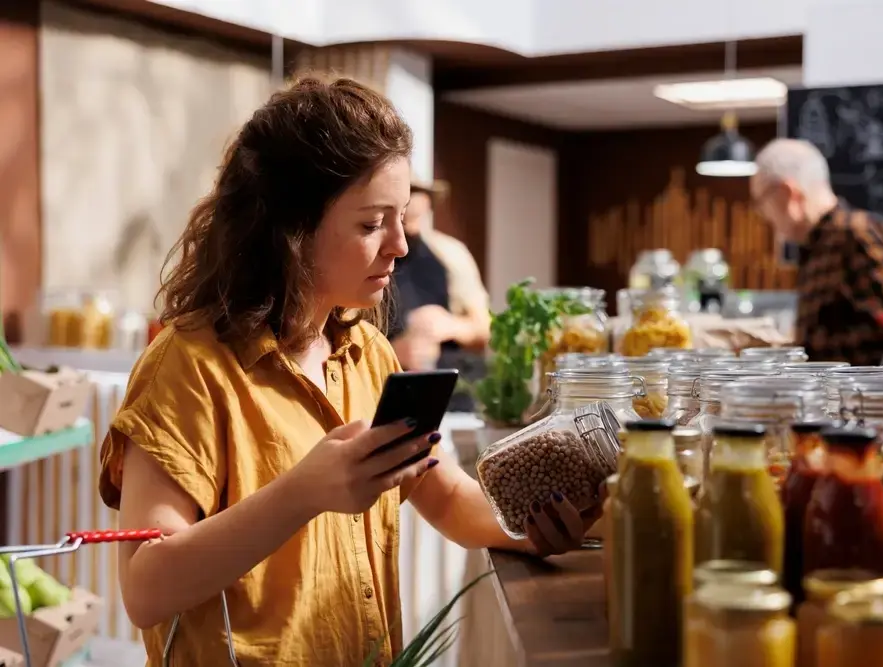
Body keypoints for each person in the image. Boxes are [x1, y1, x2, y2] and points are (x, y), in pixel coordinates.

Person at [98, 76, 598, 667]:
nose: (400, 247)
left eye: (400, 218)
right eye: (370, 224)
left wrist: (527, 528)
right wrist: (304, 492)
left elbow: (446, 499)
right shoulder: (189, 365)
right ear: (290, 230)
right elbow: (146, 588)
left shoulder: (368, 351)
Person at [749, 138, 883, 366]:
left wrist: (809, 351)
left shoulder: (856, 235)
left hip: (862, 399)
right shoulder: (818, 244)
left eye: (762, 202)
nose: (765, 216)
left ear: (788, 193)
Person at [387, 179, 491, 378]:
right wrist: (392, 352)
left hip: (450, 381)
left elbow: (483, 329)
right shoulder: (375, 253)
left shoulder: (450, 253)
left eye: (418, 192)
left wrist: (449, 325)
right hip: (388, 381)